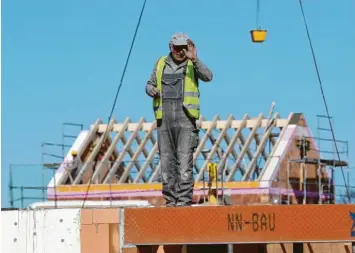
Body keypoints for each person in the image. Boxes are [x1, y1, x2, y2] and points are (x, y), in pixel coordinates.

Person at [145, 32, 213, 207]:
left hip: (185, 120)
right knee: (167, 164)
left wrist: (195, 59)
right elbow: (149, 84)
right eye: (177, 48)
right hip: (164, 121)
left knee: (184, 165)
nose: (180, 52)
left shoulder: (192, 65)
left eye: (183, 48)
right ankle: (170, 202)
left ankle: (183, 202)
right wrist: (151, 90)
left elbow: (208, 76)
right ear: (170, 47)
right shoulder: (161, 63)